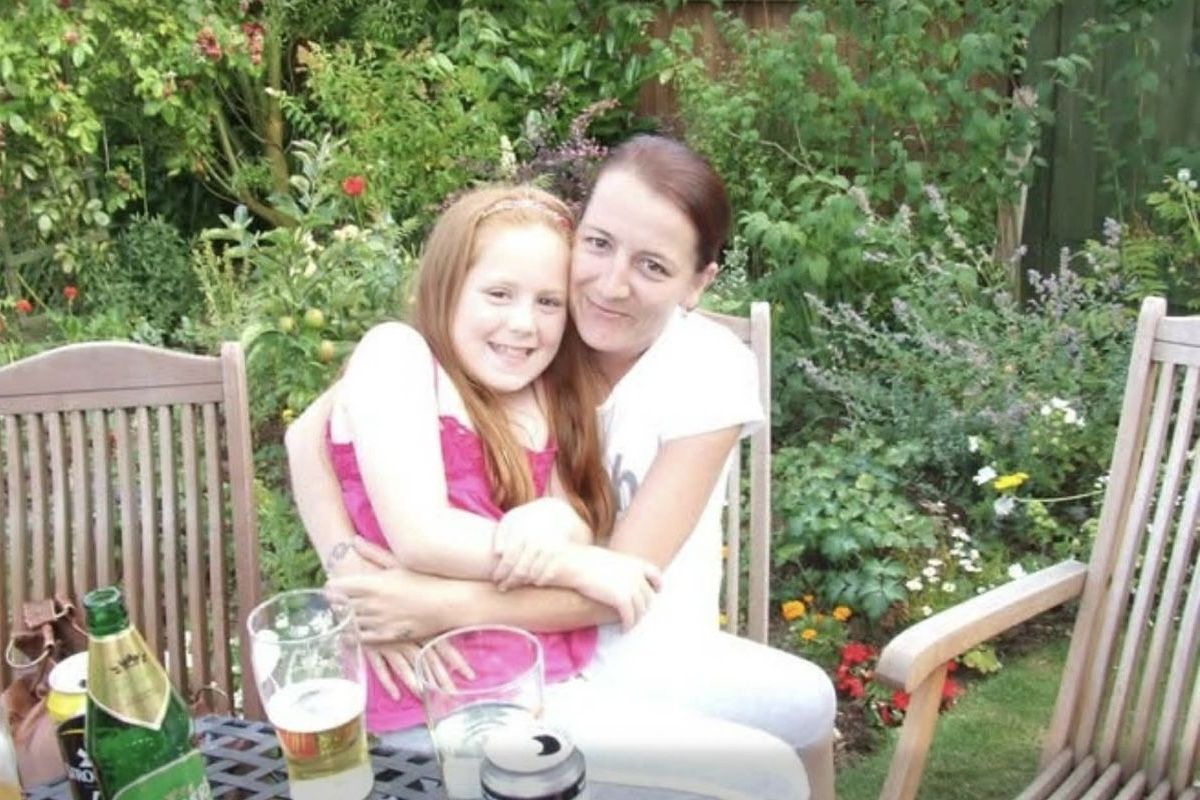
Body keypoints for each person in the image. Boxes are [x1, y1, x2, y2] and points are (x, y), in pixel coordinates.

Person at [288, 135, 836, 799]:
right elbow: (305, 435)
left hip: (608, 630)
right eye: (599, 243)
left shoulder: (677, 361)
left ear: (698, 283)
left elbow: (611, 570)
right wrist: (350, 570)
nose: (611, 284)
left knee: (806, 705)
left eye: (653, 266)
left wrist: (436, 604)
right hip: (497, 670)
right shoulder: (539, 326)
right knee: (765, 774)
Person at [326, 184, 664, 734]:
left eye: (548, 302)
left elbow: (574, 515)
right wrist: (578, 565)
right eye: (499, 294)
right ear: (446, 289)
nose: (524, 323)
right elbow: (421, 535)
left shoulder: (545, 393)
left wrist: (554, 520)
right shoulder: (398, 355)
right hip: (426, 698)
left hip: (542, 677)